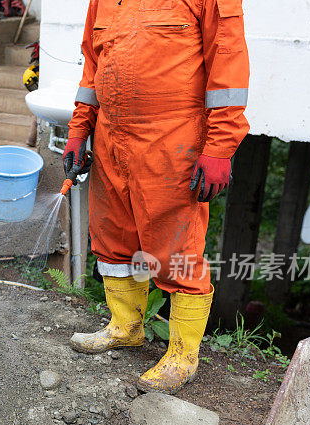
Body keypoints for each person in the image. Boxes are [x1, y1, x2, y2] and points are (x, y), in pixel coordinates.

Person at [62, 0, 249, 393]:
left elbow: (228, 66)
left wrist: (219, 149)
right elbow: (91, 67)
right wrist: (79, 129)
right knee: (113, 236)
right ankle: (125, 326)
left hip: (173, 137)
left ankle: (184, 355)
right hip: (112, 134)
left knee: (177, 248)